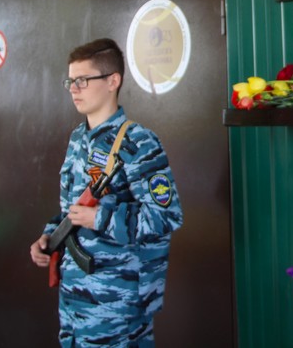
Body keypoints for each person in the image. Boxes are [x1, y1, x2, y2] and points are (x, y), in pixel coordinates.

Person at [29, 38, 183, 347]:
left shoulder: (140, 143)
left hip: (117, 306)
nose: (74, 88)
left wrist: (100, 217)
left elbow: (166, 217)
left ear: (113, 81)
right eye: (71, 81)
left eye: (83, 80)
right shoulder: (78, 139)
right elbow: (72, 210)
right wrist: (49, 237)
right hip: (74, 299)